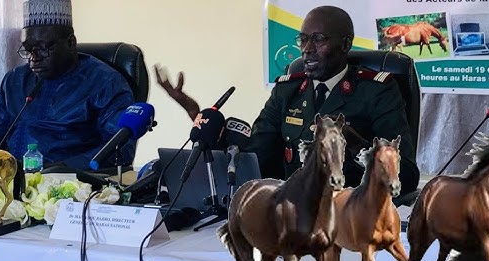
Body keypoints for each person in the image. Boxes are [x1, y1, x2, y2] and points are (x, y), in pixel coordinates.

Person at [156, 6, 420, 196]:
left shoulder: (378, 90)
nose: (307, 49)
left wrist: (358, 146)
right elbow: (256, 156)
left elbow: (406, 176)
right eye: (303, 39)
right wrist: (196, 114)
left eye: (318, 39)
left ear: (345, 44)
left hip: (348, 213)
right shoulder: (288, 91)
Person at [0, 0, 135, 170]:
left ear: (71, 43)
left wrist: (59, 170)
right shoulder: (15, 80)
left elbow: (120, 149)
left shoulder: (105, 83)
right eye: (28, 49)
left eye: (42, 48)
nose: (34, 58)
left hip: (72, 186)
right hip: (10, 183)